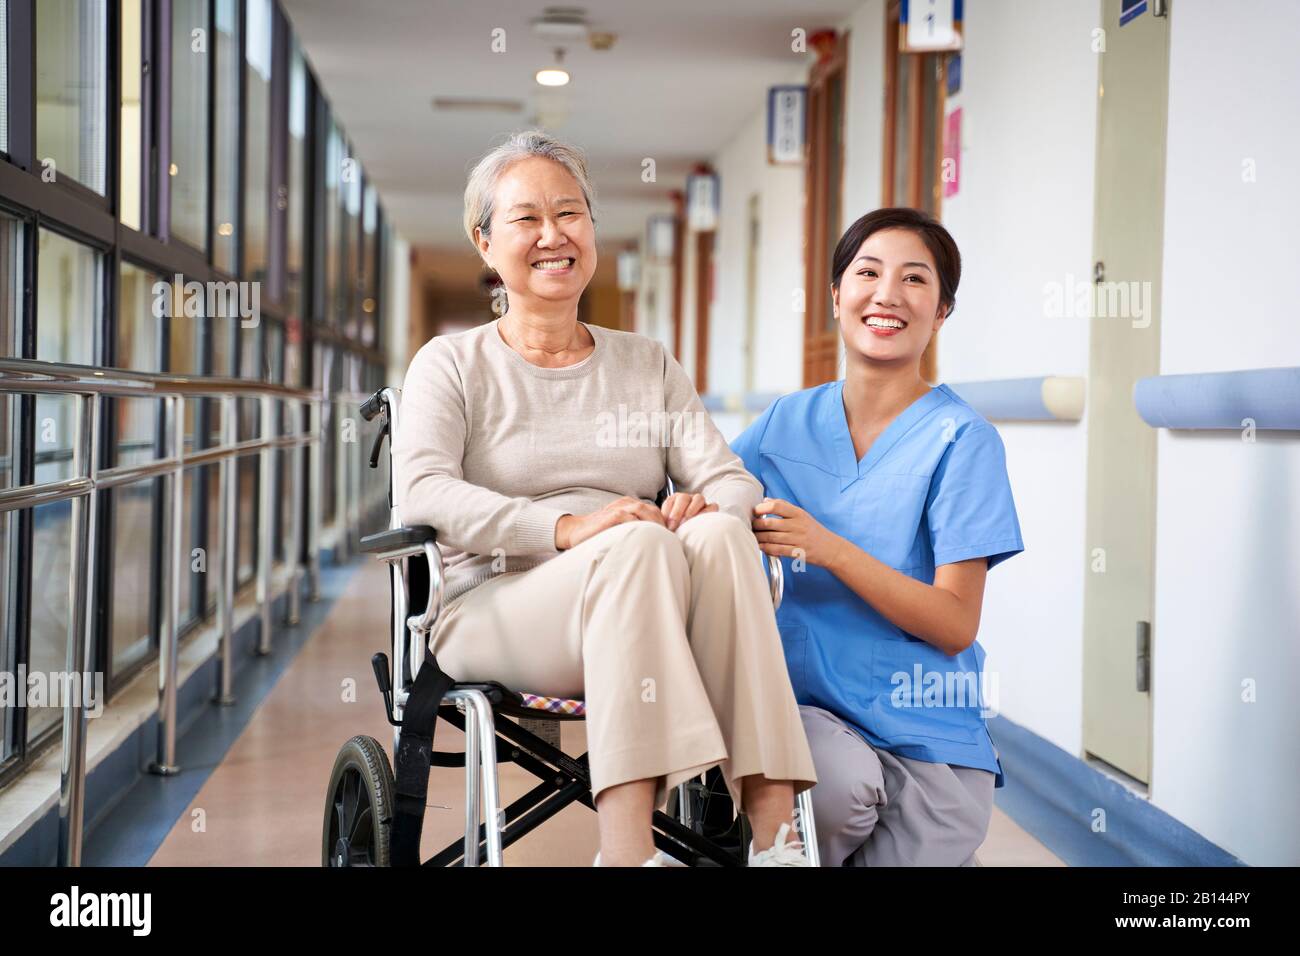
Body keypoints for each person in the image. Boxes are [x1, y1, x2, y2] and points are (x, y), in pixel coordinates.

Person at [392, 130, 817, 867]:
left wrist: (709, 506)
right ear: (485, 242)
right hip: (496, 604)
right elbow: (423, 492)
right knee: (636, 542)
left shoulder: (645, 362)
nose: (554, 235)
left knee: (714, 535)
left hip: (642, 591)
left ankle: (778, 840)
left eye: (571, 213)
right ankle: (627, 856)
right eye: (526, 219)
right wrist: (566, 528)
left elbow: (729, 478)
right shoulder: (452, 363)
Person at [731, 207, 1024, 866]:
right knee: (834, 791)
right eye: (868, 272)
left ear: (942, 309)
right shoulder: (785, 422)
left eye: (915, 279)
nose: (888, 294)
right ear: (837, 295)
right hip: (806, 710)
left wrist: (827, 547)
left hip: (928, 730)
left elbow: (953, 624)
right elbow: (712, 496)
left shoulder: (962, 441)